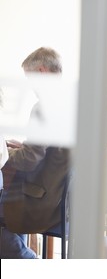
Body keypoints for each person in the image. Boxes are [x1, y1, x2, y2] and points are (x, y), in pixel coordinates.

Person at [0, 47, 70, 259]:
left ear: (40, 71)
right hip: (67, 197)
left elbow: (30, 161)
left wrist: (4, 152)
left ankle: (30, 263)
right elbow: (50, 150)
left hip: (46, 196)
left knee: (4, 211)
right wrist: (21, 147)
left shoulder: (45, 106)